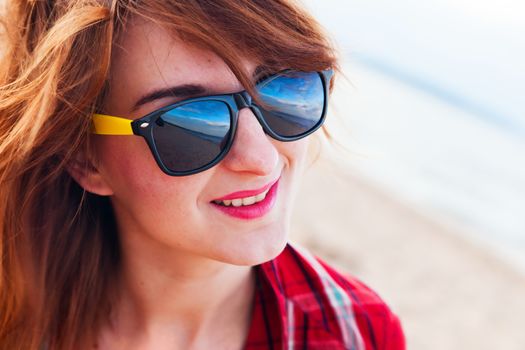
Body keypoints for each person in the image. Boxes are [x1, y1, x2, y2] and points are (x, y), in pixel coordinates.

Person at [0, 1, 405, 349]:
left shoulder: (357, 333)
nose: (261, 159)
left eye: (283, 91)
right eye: (189, 123)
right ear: (85, 159)